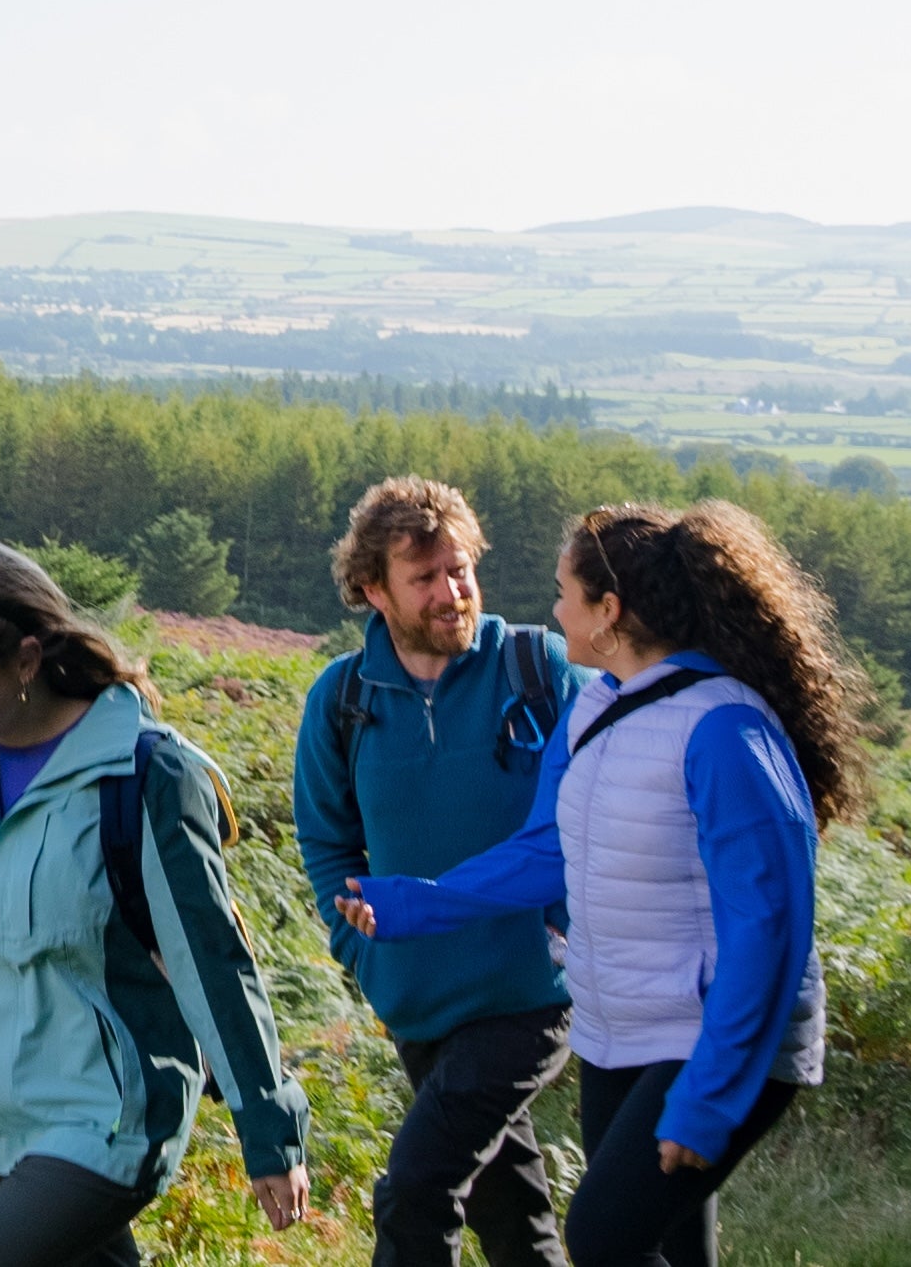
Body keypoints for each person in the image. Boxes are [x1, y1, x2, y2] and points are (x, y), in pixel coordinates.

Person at [337, 500, 864, 1267]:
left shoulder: (726, 729)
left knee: (603, 1238)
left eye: (564, 593)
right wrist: (419, 900)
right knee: (669, 1247)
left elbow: (770, 928)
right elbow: (547, 851)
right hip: (628, 1028)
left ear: (609, 612)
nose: (552, 609)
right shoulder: (596, 708)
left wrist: (713, 1092)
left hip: (714, 1035)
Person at [0, 539, 312, 1267]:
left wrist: (268, 1126)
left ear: (28, 661)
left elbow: (211, 962)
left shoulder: (144, 775)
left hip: (108, 1118)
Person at [292, 476, 585, 1267]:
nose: (452, 593)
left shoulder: (538, 670)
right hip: (418, 1003)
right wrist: (364, 951)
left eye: (460, 570)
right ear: (371, 591)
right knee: (515, 1219)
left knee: (416, 1191)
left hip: (529, 994)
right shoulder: (342, 701)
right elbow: (326, 843)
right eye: (425, 578)